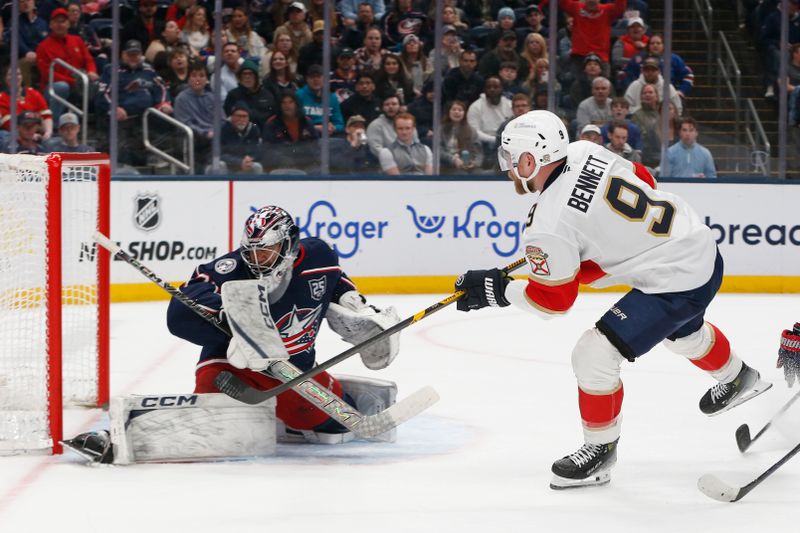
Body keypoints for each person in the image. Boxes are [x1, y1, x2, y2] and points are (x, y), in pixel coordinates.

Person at [454, 110, 771, 490]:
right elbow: (644, 178)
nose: (506, 167)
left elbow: (553, 302)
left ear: (529, 160)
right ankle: (739, 378)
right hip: (699, 246)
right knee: (683, 334)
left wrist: (497, 290)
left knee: (593, 355)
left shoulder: (547, 224)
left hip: (674, 280)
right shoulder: (586, 150)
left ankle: (599, 452)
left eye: (509, 157)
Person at [62, 206, 403, 463]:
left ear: (289, 243)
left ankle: (296, 414)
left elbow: (334, 279)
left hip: (292, 371)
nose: (256, 259)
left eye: (265, 251)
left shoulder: (320, 255)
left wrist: (353, 304)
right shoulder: (232, 268)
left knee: (338, 427)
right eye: (250, 250)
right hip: (229, 365)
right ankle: (117, 439)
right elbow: (183, 309)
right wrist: (235, 319)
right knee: (207, 422)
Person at [94, 39, 172, 167]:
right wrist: (114, 108)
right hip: (123, 116)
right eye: (130, 54)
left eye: (136, 54)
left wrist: (164, 103)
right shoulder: (112, 70)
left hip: (147, 116)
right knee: (123, 148)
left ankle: (155, 154)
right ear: (123, 54)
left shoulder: (149, 70)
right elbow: (102, 94)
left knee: (168, 117)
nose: (133, 58)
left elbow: (161, 87)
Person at [35, 7, 99, 123]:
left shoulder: (77, 40)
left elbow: (88, 59)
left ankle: (97, 121)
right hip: (53, 87)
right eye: (56, 21)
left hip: (79, 81)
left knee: (98, 83)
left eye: (63, 21)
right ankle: (53, 125)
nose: (60, 25)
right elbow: (47, 74)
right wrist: (72, 81)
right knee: (62, 87)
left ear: (69, 24)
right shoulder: (43, 47)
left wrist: (91, 71)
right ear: (50, 25)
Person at [174, 61, 215, 168]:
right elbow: (184, 124)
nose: (198, 79)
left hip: (212, 139)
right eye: (194, 75)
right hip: (193, 140)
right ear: (188, 79)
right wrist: (206, 133)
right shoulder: (181, 99)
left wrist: (216, 131)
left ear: (207, 80)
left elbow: (222, 119)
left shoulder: (212, 98)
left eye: (201, 76)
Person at [224, 60, 276, 128]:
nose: (247, 77)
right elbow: (228, 117)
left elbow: (272, 117)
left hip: (264, 132)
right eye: (244, 74)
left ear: (256, 77)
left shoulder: (267, 95)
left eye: (250, 74)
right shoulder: (233, 95)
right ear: (240, 77)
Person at [296, 64, 345, 135]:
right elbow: (294, 124)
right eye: (312, 77)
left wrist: (334, 128)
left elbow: (340, 124)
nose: (316, 80)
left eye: (319, 77)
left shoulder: (332, 97)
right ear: (307, 79)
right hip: (307, 136)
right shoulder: (298, 95)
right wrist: (315, 128)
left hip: (328, 137)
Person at [220, 101, 263, 174]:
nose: (241, 119)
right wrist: (239, 162)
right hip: (229, 164)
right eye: (238, 116)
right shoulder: (223, 129)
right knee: (220, 165)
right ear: (232, 116)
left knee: (257, 166)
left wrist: (250, 159)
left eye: (244, 116)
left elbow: (258, 151)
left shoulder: (254, 129)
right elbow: (218, 154)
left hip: (247, 164)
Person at [440, 100, 482, 174]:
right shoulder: (441, 130)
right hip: (447, 166)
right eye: (454, 109)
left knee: (479, 174)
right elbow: (439, 151)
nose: (457, 112)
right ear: (449, 112)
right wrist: (453, 160)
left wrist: (474, 163)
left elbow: (479, 153)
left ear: (464, 113)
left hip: (468, 165)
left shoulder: (471, 131)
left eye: (460, 110)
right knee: (462, 174)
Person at [778, 323, 800, 388]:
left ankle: (789, 387)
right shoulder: (797, 342)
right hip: (797, 364)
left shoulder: (785, 339)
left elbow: (781, 352)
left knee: (789, 378)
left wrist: (780, 359)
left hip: (787, 364)